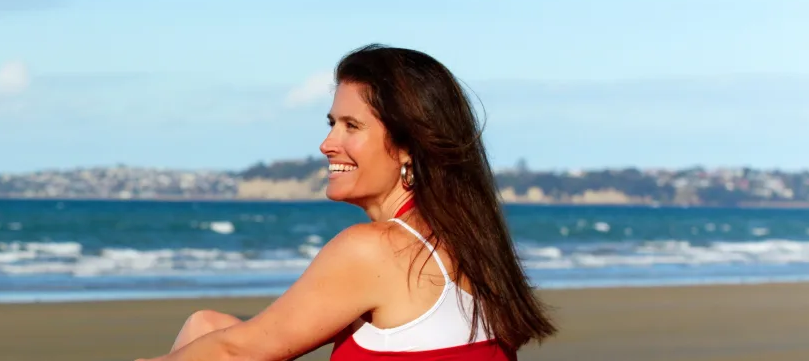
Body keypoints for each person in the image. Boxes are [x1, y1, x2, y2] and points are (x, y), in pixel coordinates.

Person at [138, 44, 555, 361]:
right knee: (206, 324)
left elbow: (237, 351)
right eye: (331, 124)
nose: (326, 145)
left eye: (351, 126)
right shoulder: (473, 245)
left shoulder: (376, 248)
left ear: (409, 146)